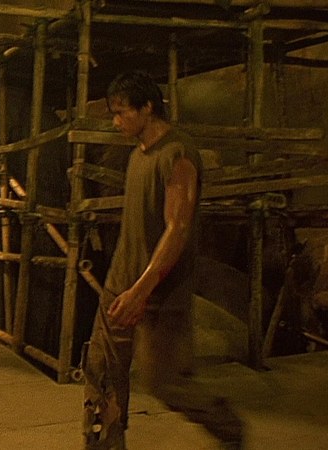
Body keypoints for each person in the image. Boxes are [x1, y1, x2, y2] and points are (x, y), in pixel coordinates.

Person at [81, 71, 243, 449]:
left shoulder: (177, 154)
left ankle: (227, 427)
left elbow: (177, 229)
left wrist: (141, 292)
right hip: (120, 284)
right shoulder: (137, 155)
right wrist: (122, 286)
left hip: (160, 294)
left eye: (122, 112)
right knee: (101, 371)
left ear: (148, 107)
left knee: (164, 382)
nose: (116, 121)